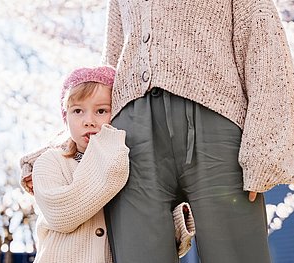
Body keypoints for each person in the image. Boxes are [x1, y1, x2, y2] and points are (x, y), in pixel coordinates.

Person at [101, 0, 294, 263]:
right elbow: (111, 62)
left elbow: (263, 36)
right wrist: (69, 147)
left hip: (216, 128)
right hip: (131, 140)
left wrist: (264, 148)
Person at [21, 66, 195, 262]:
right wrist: (107, 150)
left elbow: (144, 236)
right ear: (65, 116)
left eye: (101, 110)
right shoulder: (50, 162)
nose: (89, 121)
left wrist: (178, 220)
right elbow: (60, 215)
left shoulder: (128, 163)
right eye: (77, 110)